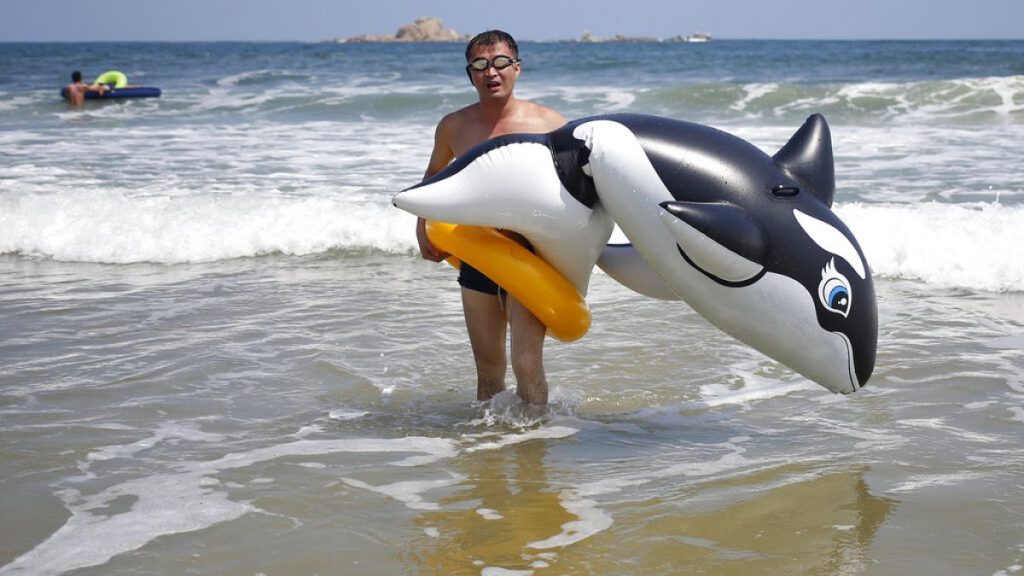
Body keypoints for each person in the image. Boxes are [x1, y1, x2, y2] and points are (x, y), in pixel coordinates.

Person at [416, 30, 566, 406]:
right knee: (488, 370)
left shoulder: (549, 123)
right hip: (478, 255)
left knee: (527, 362)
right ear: (470, 74)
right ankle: (490, 450)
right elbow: (434, 176)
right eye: (480, 66)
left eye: (500, 63)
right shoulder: (454, 126)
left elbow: (577, 185)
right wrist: (422, 227)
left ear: (516, 68)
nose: (491, 72)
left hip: (531, 254)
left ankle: (535, 441)